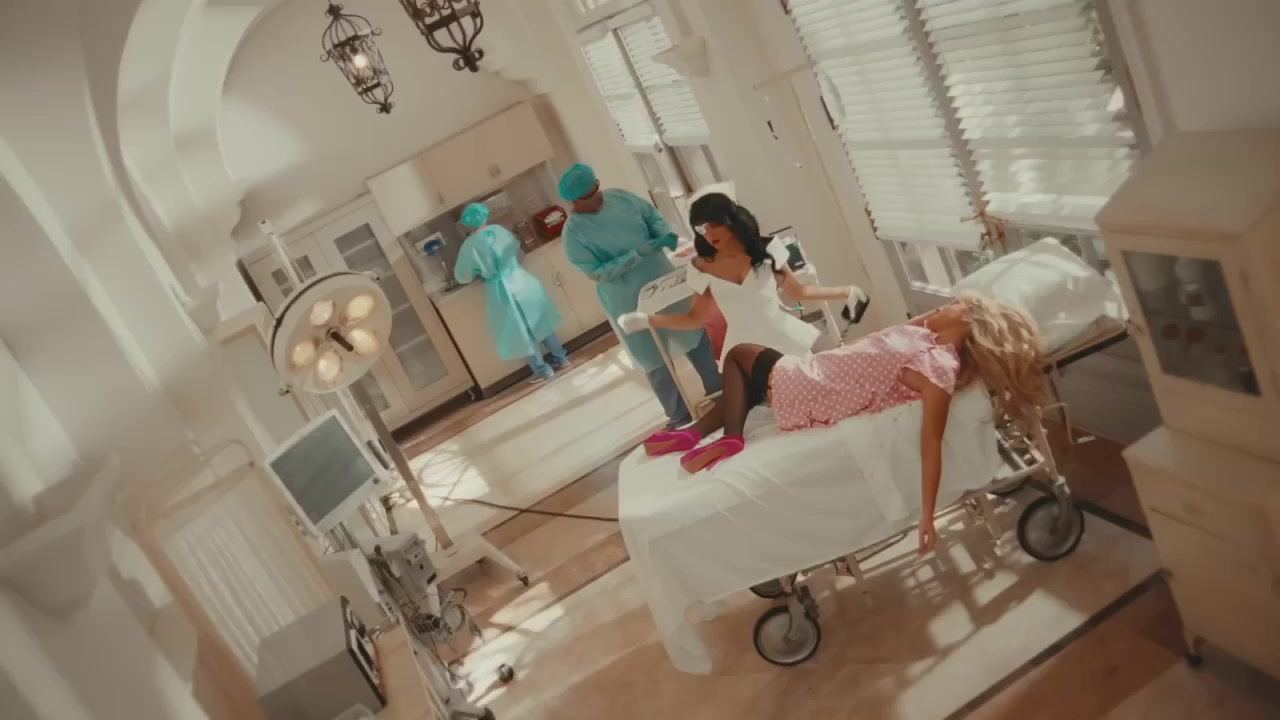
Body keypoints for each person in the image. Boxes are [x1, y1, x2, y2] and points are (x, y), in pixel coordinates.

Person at [626, 295, 1045, 553]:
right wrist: (934, 320)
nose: (941, 306)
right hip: (813, 380)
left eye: (953, 305)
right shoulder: (926, 341)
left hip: (808, 387)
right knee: (745, 384)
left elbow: (931, 443)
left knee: (739, 355)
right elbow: (903, 334)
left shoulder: (938, 368)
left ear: (968, 319)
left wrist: (927, 516)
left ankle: (727, 437)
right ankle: (695, 433)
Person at [616, 192, 870, 372]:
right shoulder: (702, 266)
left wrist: (847, 291)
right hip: (744, 347)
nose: (709, 234)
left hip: (783, 338)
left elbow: (799, 291)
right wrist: (646, 320)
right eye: (702, 229)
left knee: (807, 392)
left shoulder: (766, 249)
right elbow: (695, 318)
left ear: (731, 221)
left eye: (714, 225)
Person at [558, 163, 722, 428]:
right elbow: (596, 272)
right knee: (651, 355)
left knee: (692, 331)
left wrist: (661, 233)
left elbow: (651, 216)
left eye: (596, 189)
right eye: (589, 197)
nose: (597, 197)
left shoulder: (620, 198)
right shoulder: (573, 234)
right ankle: (678, 415)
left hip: (661, 277)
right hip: (626, 296)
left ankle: (718, 389)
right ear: (574, 201)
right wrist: (635, 255)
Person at [455, 202, 569, 384]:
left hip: (501, 291)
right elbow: (517, 250)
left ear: (467, 222)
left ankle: (542, 370)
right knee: (541, 321)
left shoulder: (470, 246)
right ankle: (561, 358)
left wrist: (482, 272)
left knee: (522, 332)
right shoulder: (499, 230)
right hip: (522, 281)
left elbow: (462, 276)